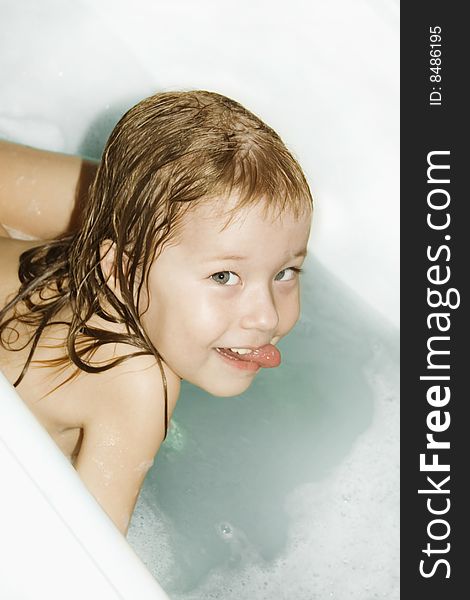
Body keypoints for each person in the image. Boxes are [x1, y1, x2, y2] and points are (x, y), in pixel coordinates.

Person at [0, 90, 313, 535]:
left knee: (142, 201)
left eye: (286, 271)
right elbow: (88, 568)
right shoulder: (139, 383)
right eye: (225, 277)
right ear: (118, 267)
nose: (266, 317)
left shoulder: (112, 257)